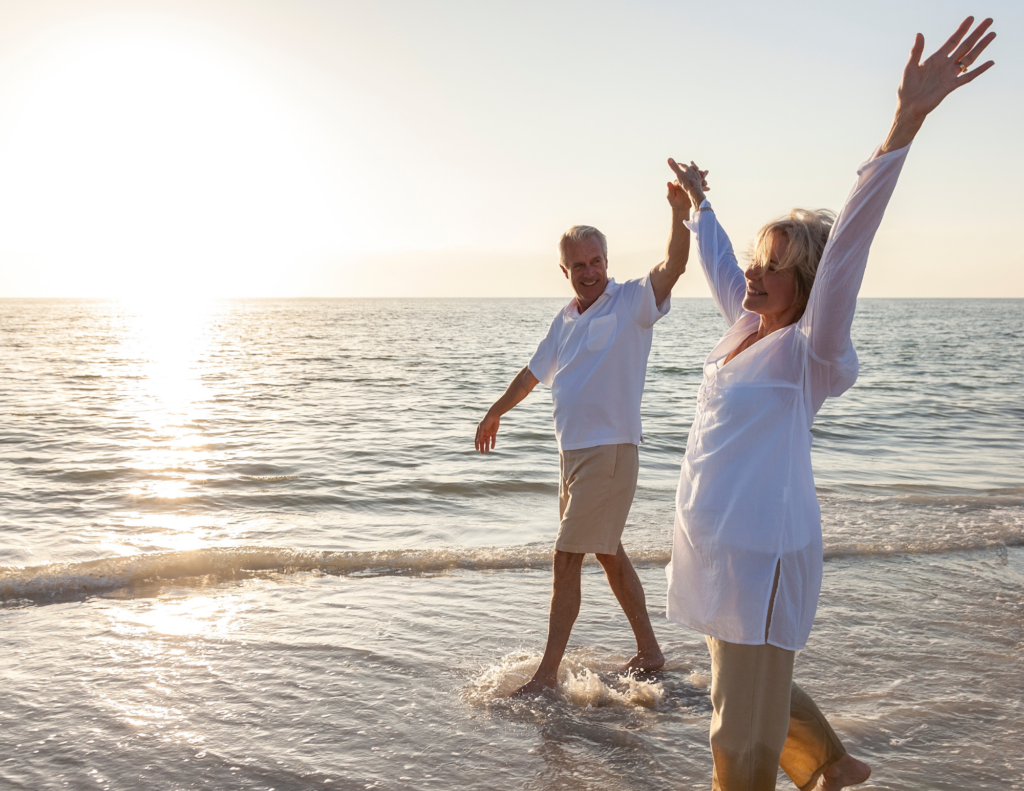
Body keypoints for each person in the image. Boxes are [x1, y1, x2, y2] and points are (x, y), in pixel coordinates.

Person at [663, 17, 996, 791]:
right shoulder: (746, 328)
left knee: (737, 738)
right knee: (738, 690)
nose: (752, 275)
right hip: (719, 552)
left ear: (805, 283)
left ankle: (811, 768)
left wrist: (903, 124)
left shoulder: (808, 350)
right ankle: (834, 764)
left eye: (772, 266)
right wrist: (699, 207)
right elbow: (718, 264)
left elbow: (847, 248)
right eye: (755, 260)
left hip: (764, 555)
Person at [474, 170, 705, 695]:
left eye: (596, 261)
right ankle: (650, 651)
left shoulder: (630, 303)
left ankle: (546, 675)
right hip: (572, 455)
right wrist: (496, 411)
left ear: (607, 260)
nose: (589, 271)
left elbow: (675, 266)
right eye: (578, 265)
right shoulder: (566, 317)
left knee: (566, 556)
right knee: (607, 552)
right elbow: (533, 374)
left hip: (611, 450)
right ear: (566, 271)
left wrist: (678, 210)